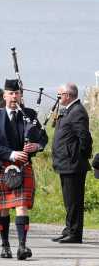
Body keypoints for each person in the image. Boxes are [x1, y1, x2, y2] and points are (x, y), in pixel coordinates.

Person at [0, 79, 48, 260]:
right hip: (2, 166)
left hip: (23, 167)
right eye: (10, 93)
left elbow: (42, 138)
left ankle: (22, 246)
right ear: (4, 95)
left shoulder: (29, 114)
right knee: (4, 209)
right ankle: (5, 245)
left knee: (21, 206)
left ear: (21, 95)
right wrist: (12, 154)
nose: (14, 96)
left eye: (17, 93)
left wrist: (37, 146)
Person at [51, 83, 93, 244]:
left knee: (74, 200)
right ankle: (68, 229)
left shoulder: (77, 112)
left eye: (60, 94)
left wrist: (79, 155)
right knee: (69, 200)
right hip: (65, 163)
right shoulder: (69, 110)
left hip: (73, 163)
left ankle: (75, 233)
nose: (58, 97)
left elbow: (84, 138)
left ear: (68, 95)